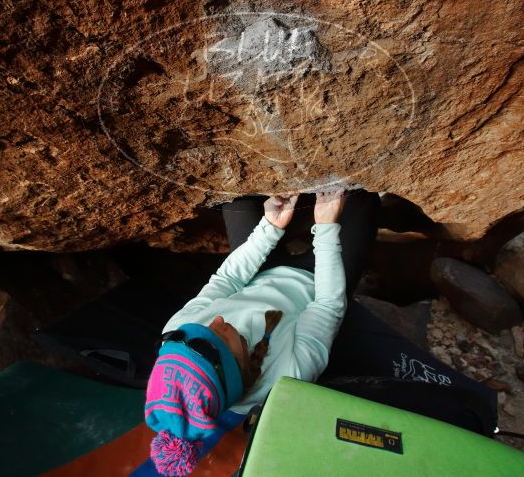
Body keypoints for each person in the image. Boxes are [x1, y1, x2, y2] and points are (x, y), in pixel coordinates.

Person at [144, 189, 381, 476]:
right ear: (238, 363)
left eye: (200, 327)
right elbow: (328, 305)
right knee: (362, 201)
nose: (217, 319)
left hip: (259, 275)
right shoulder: (285, 380)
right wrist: (326, 228)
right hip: (314, 284)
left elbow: (227, 280)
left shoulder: (177, 333)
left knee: (239, 200)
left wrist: (269, 228)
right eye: (221, 334)